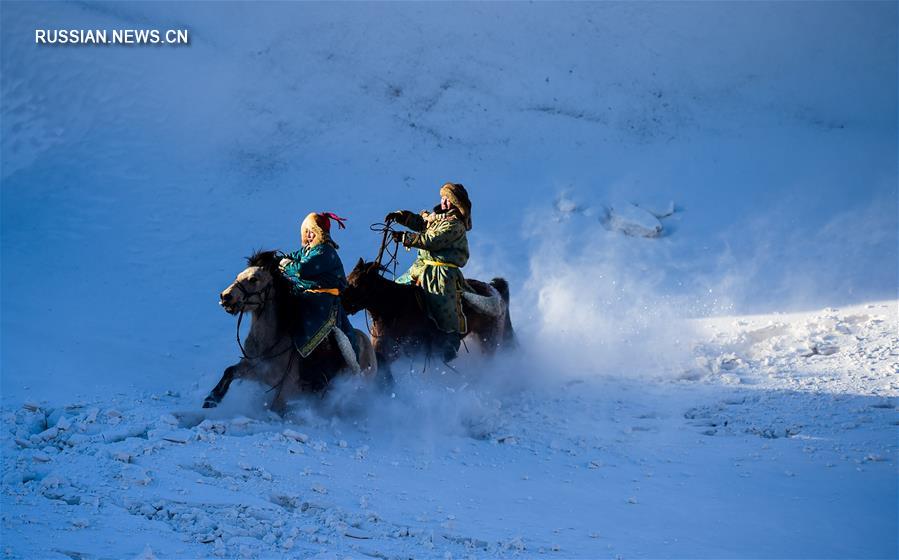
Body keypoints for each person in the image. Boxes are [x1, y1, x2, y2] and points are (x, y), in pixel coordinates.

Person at [385, 182, 472, 362]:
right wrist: (401, 217)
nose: (444, 202)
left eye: (449, 200)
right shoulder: (436, 218)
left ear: (457, 204)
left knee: (443, 307)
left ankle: (449, 342)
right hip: (421, 267)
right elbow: (421, 223)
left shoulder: (455, 225)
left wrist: (405, 237)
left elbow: (432, 240)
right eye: (443, 198)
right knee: (396, 291)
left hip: (441, 273)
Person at [279, 212, 358, 364]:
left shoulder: (325, 251)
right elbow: (290, 257)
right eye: (306, 231)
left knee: (307, 321)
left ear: (319, 232)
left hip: (324, 300)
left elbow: (303, 269)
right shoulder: (307, 250)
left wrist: (286, 265)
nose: (308, 234)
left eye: (311, 231)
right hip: (307, 295)